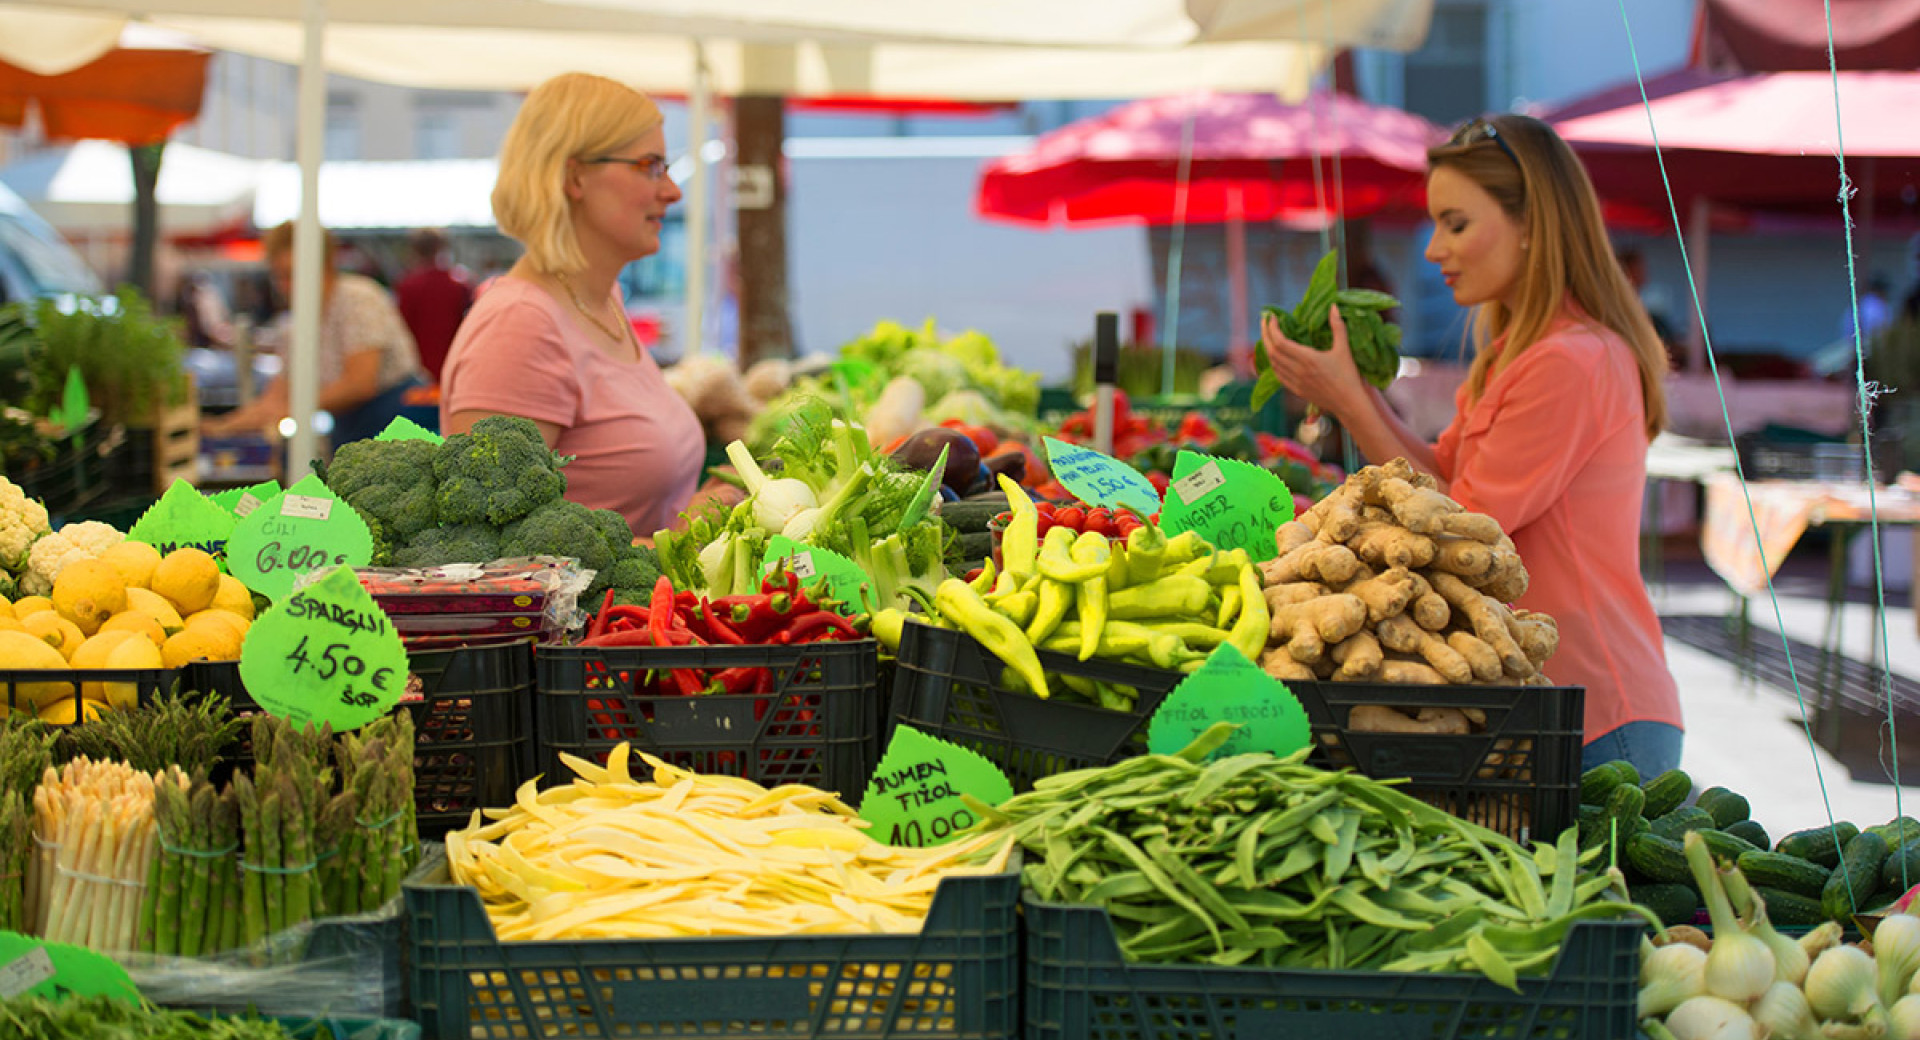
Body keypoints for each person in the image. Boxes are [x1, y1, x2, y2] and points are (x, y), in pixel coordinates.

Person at [1260, 113, 1682, 778]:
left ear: (1532, 227)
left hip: (1598, 715)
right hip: (1545, 700)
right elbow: (1433, 477)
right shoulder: (1523, 351)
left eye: (1455, 224)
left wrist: (1346, 399)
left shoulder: (1570, 363)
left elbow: (1455, 537)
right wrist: (1356, 393)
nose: (1433, 249)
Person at [438, 73, 706, 538]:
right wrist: (688, 537)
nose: (672, 191)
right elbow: (492, 555)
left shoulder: (604, 303)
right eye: (650, 166)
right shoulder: (522, 325)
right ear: (573, 175)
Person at [203, 222, 426, 447]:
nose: (286, 285)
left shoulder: (358, 299)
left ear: (325, 265)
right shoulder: (296, 324)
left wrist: (293, 407)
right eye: (279, 276)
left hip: (399, 421)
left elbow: (360, 383)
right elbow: (275, 398)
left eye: (293, 274)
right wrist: (222, 426)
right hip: (351, 428)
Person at [395, 228, 474, 384]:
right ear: (440, 247)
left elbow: (402, 329)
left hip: (418, 371)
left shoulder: (407, 285)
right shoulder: (459, 285)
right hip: (454, 366)